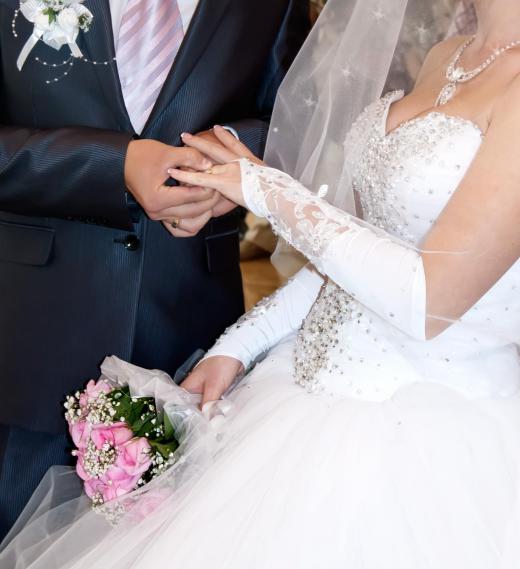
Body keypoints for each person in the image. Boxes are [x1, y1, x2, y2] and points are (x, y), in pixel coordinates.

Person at [2, 0, 520, 566]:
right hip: (300, 401)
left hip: (423, 437)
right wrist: (237, 346)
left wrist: (264, 189)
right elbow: (358, 253)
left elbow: (430, 299)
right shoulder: (448, 55)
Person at [0, 0, 310, 540]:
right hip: (30, 338)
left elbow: (297, 115)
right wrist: (113, 165)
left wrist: (235, 172)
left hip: (194, 340)